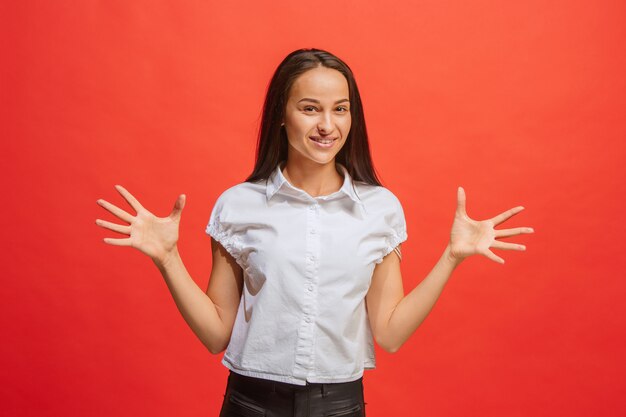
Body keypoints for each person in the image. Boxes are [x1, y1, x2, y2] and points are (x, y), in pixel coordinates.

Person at [95, 48, 534, 417]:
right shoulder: (239, 204)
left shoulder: (379, 209)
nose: (328, 125)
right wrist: (168, 259)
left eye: (340, 109)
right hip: (251, 402)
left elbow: (390, 333)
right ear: (281, 116)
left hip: (339, 404)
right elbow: (215, 334)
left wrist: (452, 258)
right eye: (310, 108)